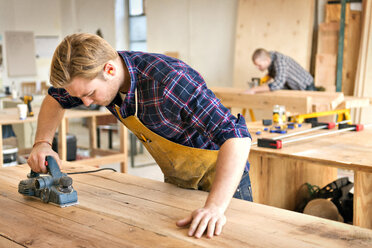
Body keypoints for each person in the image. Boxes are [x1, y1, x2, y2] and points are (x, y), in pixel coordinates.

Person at [27, 33, 252, 239]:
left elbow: (236, 136)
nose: (85, 103)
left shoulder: (170, 80)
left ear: (110, 70)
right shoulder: (100, 81)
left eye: (90, 94)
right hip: (178, 181)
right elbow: (55, 99)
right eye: (80, 96)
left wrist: (215, 207)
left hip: (223, 185)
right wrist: (42, 143)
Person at [245, 48, 316, 94]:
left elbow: (277, 84)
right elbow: (271, 74)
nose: (257, 68)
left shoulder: (280, 62)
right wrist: (260, 83)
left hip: (306, 86)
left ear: (267, 61)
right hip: (293, 88)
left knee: (309, 116)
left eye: (259, 65)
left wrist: (254, 90)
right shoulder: (269, 57)